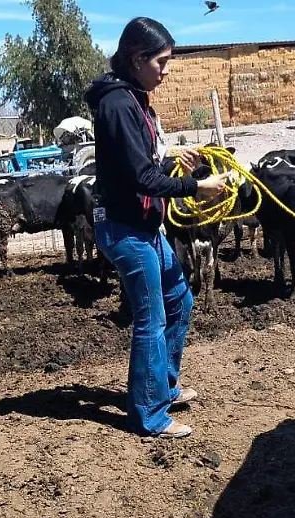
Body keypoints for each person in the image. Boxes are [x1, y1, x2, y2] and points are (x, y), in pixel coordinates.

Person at [84, 17, 228, 439]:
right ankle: (149, 415)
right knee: (152, 316)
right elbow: (138, 180)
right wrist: (196, 187)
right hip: (125, 228)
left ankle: (161, 386)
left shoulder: (131, 99)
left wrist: (170, 164)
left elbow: (139, 170)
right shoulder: (118, 105)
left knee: (180, 300)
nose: (166, 70)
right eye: (161, 62)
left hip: (141, 225)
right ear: (137, 58)